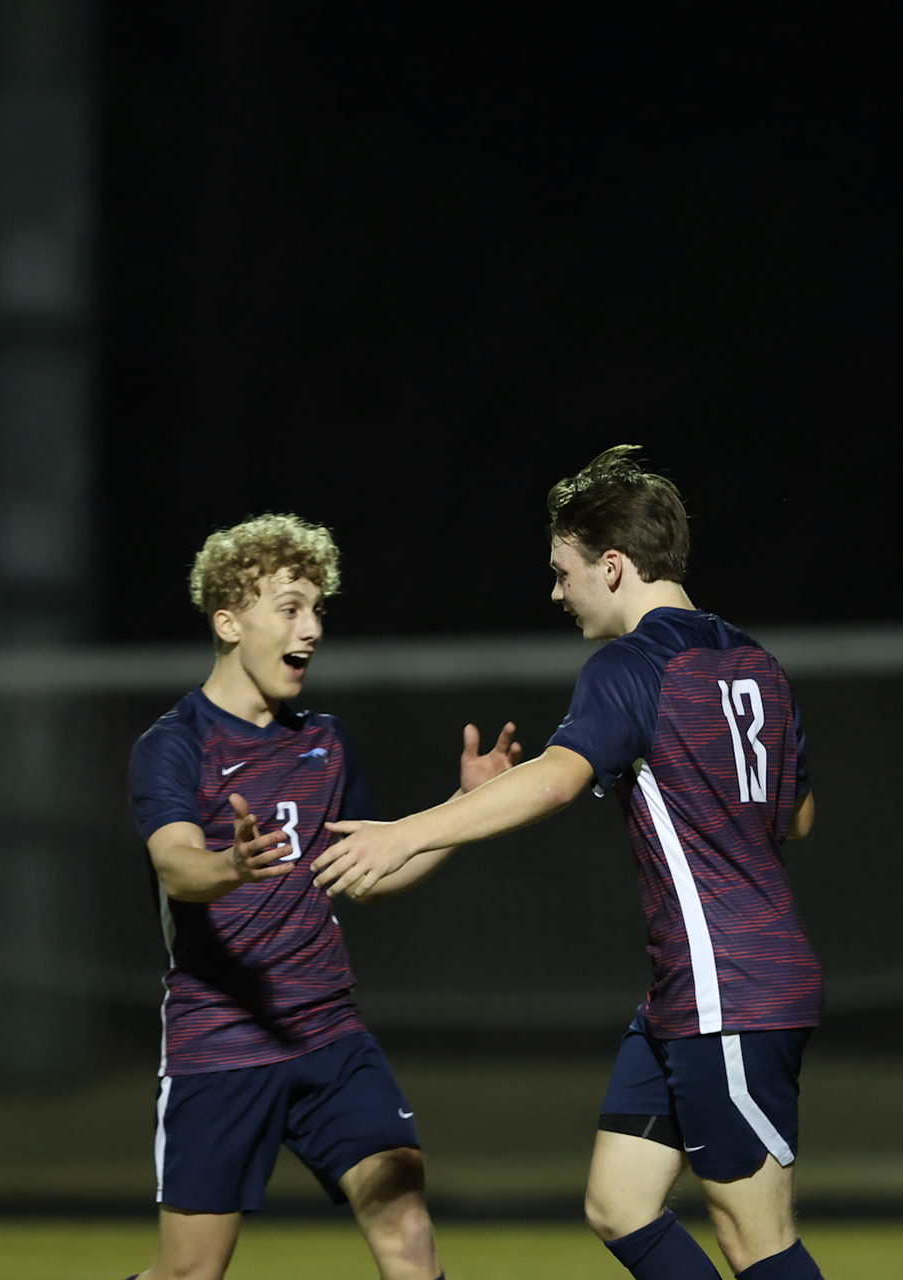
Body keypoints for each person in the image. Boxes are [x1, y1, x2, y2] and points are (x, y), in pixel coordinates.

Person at [311, 446, 825, 1280]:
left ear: (612, 565)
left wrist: (409, 832)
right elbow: (796, 817)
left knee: (755, 1239)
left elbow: (555, 782)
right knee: (619, 1204)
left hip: (730, 986)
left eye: (564, 570)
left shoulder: (630, 665)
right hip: (691, 988)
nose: (556, 591)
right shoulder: (757, 665)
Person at [123, 512, 519, 1280]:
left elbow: (368, 875)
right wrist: (231, 866)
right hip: (220, 1045)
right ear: (230, 621)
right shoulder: (173, 745)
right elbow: (177, 866)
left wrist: (461, 815)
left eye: (318, 609)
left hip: (330, 1035)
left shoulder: (325, 741)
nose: (311, 629)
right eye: (291, 608)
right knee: (189, 1273)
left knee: (405, 1218)